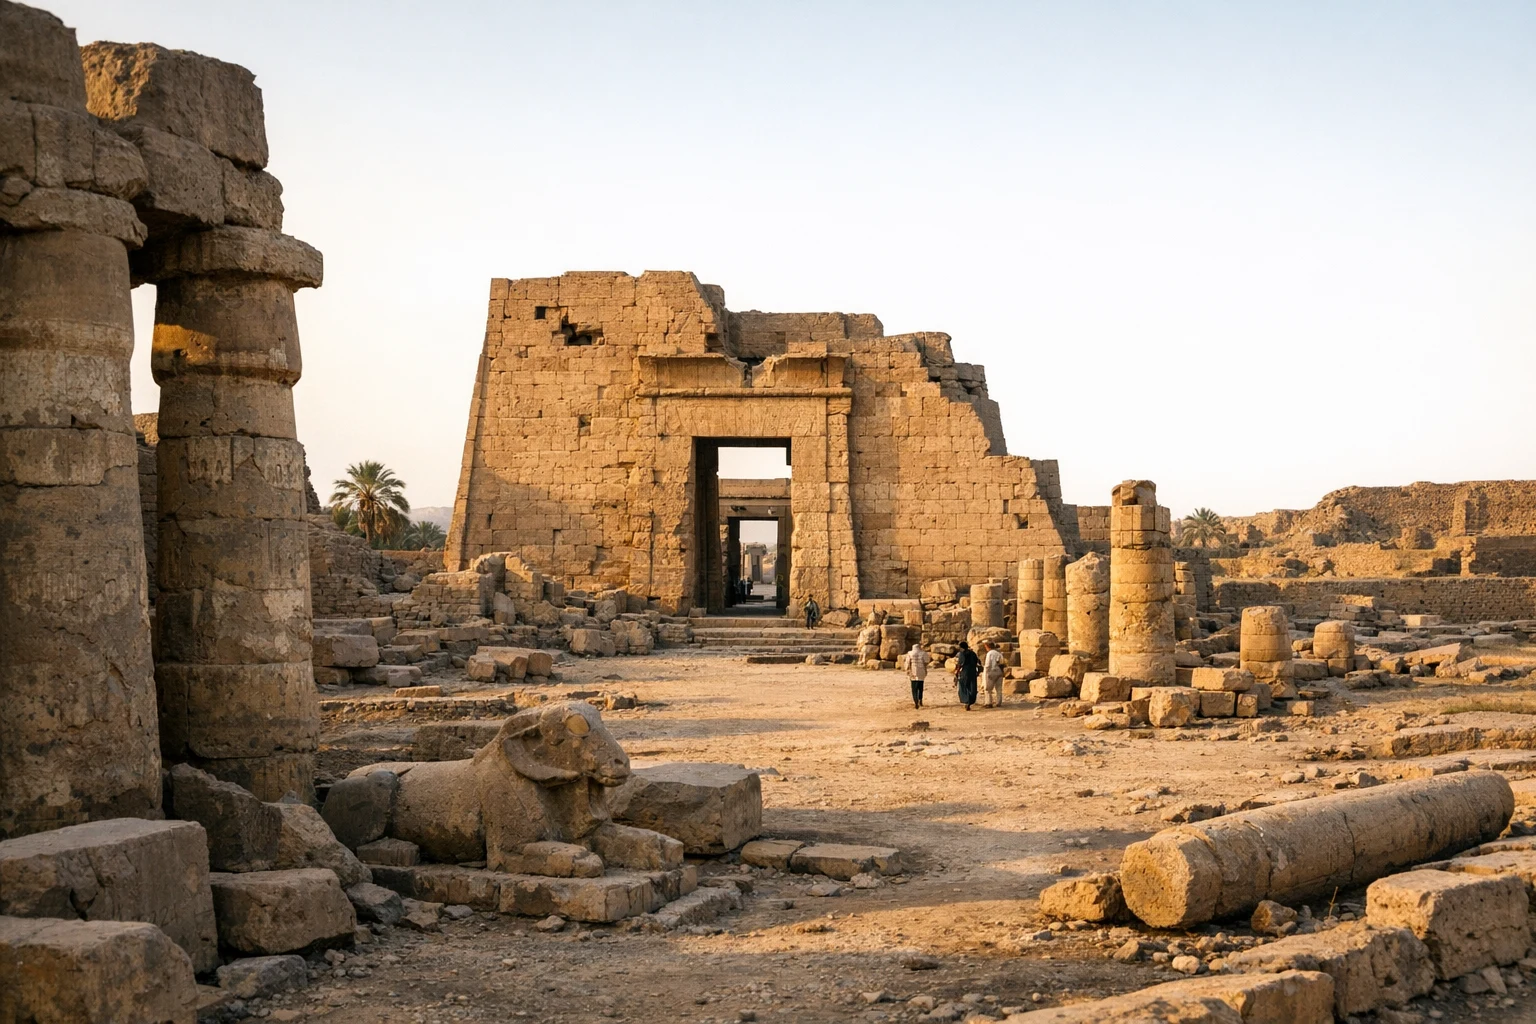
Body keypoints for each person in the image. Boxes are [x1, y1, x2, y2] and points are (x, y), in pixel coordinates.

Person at [902, 642, 931, 710]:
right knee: (920, 687)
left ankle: (916, 701)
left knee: (914, 688)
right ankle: (920, 700)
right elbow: (927, 661)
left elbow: (907, 662)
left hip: (913, 672)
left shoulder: (910, 654)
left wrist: (907, 670)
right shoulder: (923, 653)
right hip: (921, 672)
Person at [953, 640, 980, 711]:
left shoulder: (962, 654)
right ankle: (971, 701)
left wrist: (957, 672)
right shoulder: (973, 653)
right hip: (973, 672)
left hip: (965, 672)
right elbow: (978, 662)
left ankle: (966, 701)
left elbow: (960, 664)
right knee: (972, 687)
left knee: (964, 686)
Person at [982, 640, 1006, 708]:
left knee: (988, 689)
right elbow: (1002, 663)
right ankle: (999, 702)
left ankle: (988, 702)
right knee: (999, 688)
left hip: (991, 671)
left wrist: (986, 673)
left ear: (987, 646)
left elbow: (988, 664)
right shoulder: (999, 653)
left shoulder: (989, 654)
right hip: (999, 671)